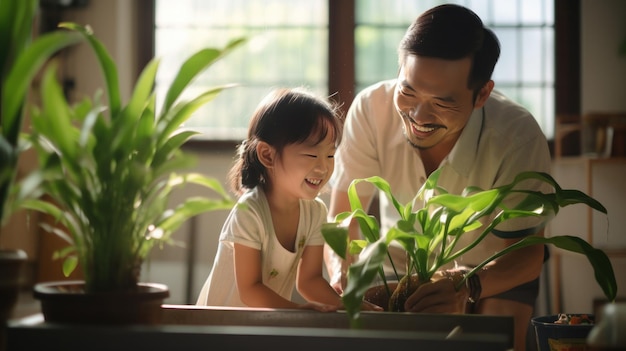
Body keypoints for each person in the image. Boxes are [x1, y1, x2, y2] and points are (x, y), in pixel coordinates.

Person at [324, 4, 551, 351]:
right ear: (399, 69)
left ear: (483, 94)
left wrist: (466, 285)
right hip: (398, 266)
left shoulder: (517, 136)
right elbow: (342, 219)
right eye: (408, 91)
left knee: (497, 339)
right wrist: (342, 274)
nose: (418, 115)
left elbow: (527, 255)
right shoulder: (372, 109)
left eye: (442, 102)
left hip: (487, 272)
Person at [196, 88, 379, 312]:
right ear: (267, 155)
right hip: (222, 327)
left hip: (267, 327)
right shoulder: (250, 212)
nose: (323, 167)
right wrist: (298, 311)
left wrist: (351, 306)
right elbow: (250, 289)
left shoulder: (314, 212)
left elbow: (309, 281)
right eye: (312, 155)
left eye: (330, 155)